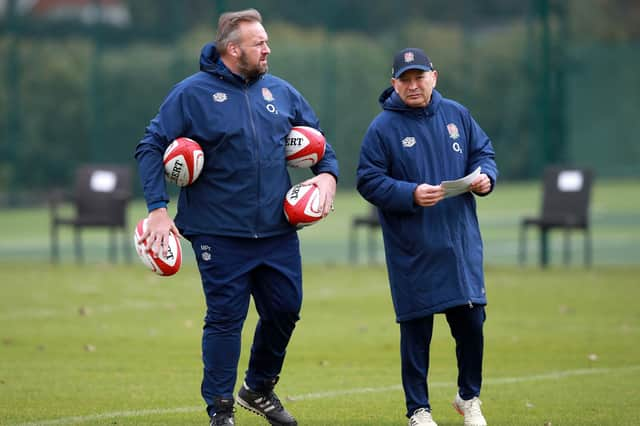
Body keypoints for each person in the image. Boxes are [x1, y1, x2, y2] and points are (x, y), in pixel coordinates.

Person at [134, 9, 338, 426]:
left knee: (285, 309)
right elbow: (150, 146)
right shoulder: (191, 94)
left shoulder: (281, 92)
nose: (267, 49)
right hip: (217, 230)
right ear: (233, 49)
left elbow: (320, 145)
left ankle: (258, 388)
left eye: (266, 41)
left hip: (277, 229)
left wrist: (328, 179)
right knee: (226, 318)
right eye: (259, 43)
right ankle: (220, 410)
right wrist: (158, 209)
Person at [356, 48, 498, 426]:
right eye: (405, 79)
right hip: (413, 247)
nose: (413, 85)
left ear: (434, 76)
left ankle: (469, 398)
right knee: (416, 329)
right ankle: (418, 410)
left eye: (420, 77)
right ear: (394, 84)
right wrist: (410, 194)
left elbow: (484, 153)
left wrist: (485, 177)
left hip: (460, 243)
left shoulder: (457, 115)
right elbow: (368, 181)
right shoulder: (382, 128)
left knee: (472, 324)